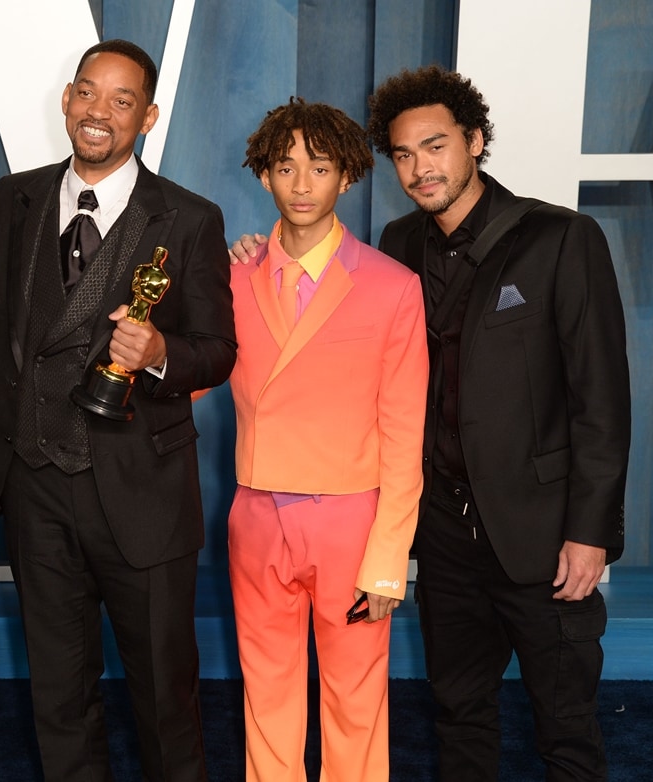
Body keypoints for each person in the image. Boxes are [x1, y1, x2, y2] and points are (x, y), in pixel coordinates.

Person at [0, 39, 236, 781]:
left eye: (122, 99)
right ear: (67, 101)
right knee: (60, 696)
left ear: (148, 115)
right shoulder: (17, 196)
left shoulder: (189, 219)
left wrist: (162, 352)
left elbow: (219, 350)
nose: (99, 112)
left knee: (166, 703)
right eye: (87, 93)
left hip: (142, 495)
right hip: (37, 485)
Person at [365, 65, 631, 781]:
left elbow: (601, 400)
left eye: (436, 146)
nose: (421, 169)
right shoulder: (396, 246)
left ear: (475, 141)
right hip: (446, 535)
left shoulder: (559, 239)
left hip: (544, 535)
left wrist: (590, 533)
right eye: (403, 154)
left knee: (567, 728)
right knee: (459, 714)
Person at [222, 98, 427, 781]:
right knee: (267, 691)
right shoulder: (229, 278)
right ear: (264, 178)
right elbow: (187, 383)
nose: (302, 184)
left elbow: (405, 433)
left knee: (355, 700)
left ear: (347, 176)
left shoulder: (393, 287)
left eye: (319, 168)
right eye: (286, 168)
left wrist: (389, 558)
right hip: (255, 513)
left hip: (353, 521)